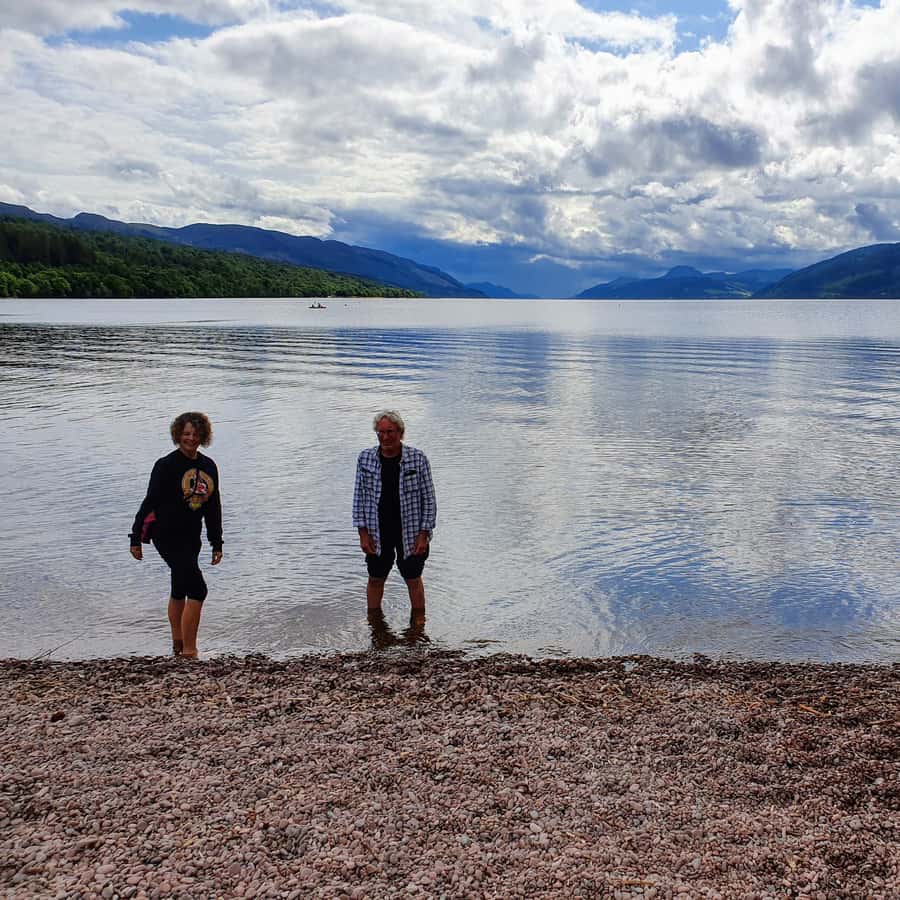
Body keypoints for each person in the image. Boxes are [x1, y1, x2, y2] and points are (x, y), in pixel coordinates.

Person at [129, 412, 223, 658]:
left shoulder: (208, 466)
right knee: (198, 590)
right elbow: (150, 501)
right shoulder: (166, 465)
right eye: (186, 434)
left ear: (203, 436)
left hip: (192, 536)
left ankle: (178, 644)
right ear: (178, 435)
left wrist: (216, 542)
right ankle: (190, 652)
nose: (191, 439)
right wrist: (135, 537)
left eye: (196, 434)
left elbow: (213, 507)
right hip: (166, 534)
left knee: (180, 587)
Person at [353, 410, 436, 612]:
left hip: (411, 532)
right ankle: (374, 621)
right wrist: (363, 534)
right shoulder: (365, 458)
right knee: (375, 578)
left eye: (390, 432)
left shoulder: (418, 458)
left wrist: (423, 535)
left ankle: (418, 624)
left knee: (413, 578)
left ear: (401, 433)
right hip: (377, 531)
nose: (385, 437)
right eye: (380, 432)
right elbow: (358, 498)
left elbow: (429, 500)